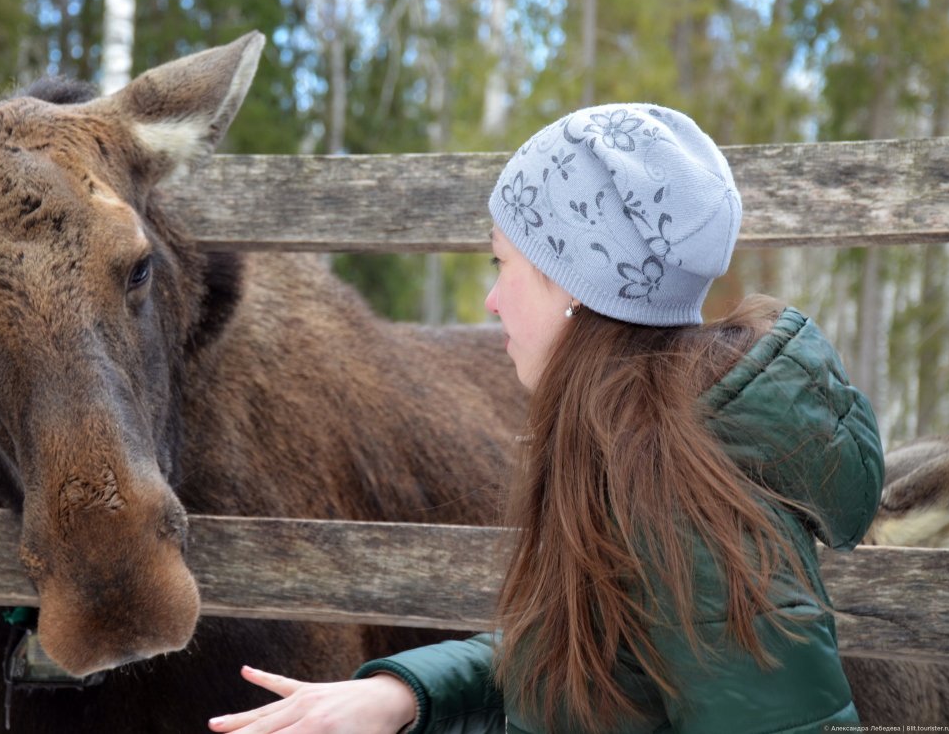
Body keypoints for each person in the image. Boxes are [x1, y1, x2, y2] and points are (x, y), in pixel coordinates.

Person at [207, 104, 884, 734]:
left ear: (577, 287)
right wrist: (403, 694)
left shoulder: (679, 500)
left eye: (505, 264)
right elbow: (590, 661)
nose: (492, 299)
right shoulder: (633, 447)